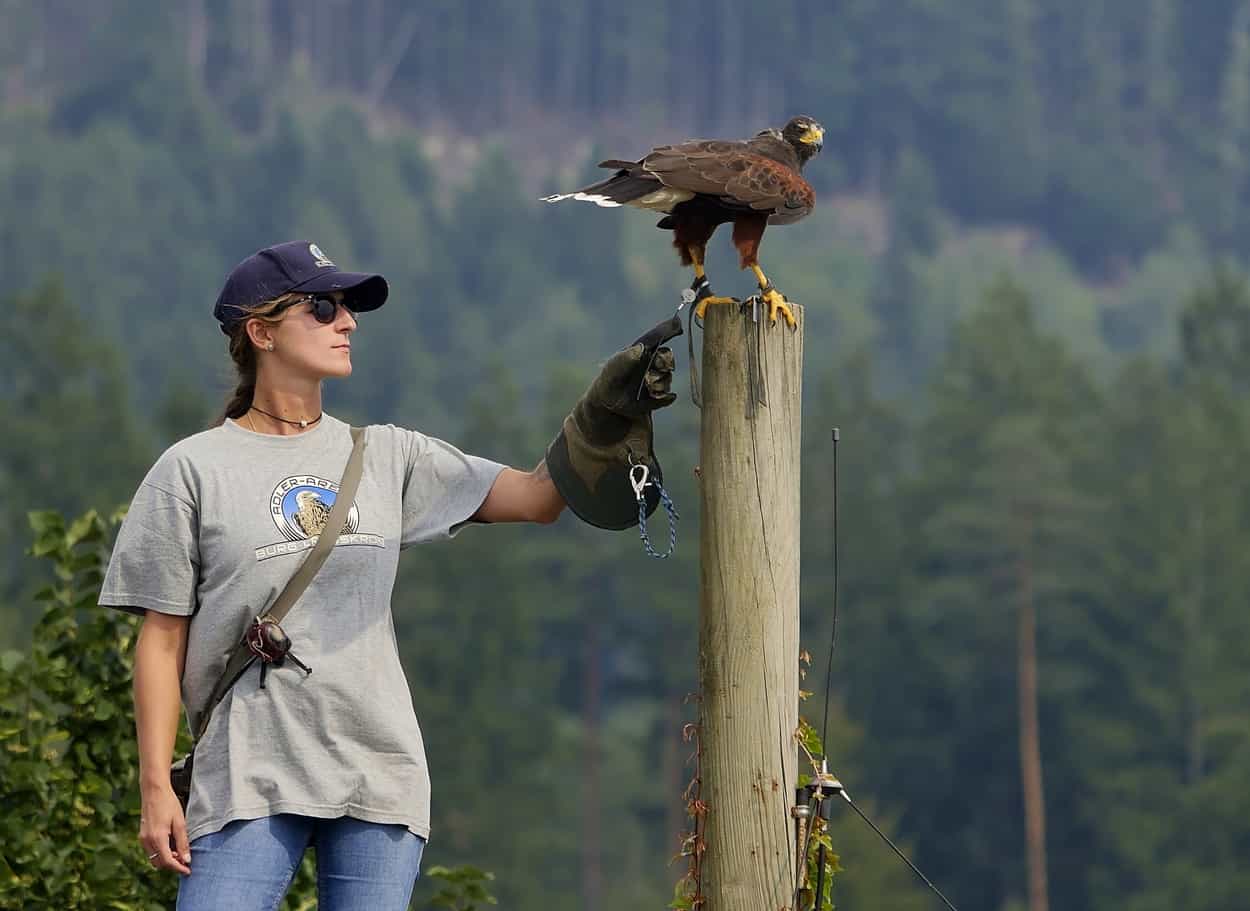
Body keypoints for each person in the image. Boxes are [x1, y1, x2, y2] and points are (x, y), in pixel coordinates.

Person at [98, 240, 679, 910]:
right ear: (260, 332)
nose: (347, 321)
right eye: (322, 307)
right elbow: (160, 641)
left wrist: (600, 415)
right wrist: (155, 786)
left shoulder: (387, 456)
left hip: (378, 772)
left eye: (348, 308)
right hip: (246, 771)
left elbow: (537, 497)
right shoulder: (191, 470)